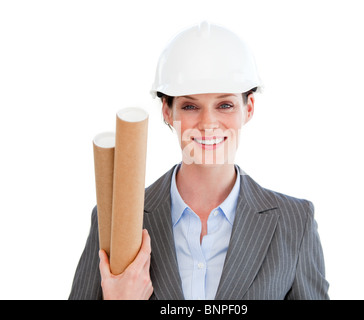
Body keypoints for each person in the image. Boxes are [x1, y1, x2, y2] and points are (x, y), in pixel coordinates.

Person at [69, 21, 329, 300]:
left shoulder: (294, 223)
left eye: (225, 105)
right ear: (167, 111)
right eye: (190, 106)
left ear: (248, 108)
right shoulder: (114, 220)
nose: (208, 124)